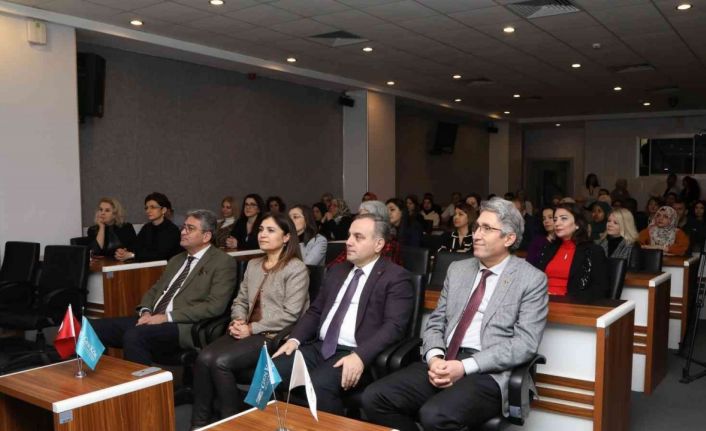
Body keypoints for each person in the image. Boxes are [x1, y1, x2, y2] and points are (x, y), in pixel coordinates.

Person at [362, 197, 548, 431]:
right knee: (375, 398)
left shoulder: (531, 279)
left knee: (434, 415)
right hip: (444, 359)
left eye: (487, 228)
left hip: (488, 371)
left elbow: (525, 344)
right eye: (477, 227)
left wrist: (465, 366)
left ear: (509, 239)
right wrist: (434, 358)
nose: (476, 234)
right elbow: (436, 322)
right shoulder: (458, 269)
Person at [273, 214, 414, 415]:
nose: (348, 242)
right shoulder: (337, 271)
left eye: (358, 237)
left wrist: (361, 356)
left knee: (318, 384)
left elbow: (394, 327)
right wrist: (294, 339)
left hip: (356, 351)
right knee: (269, 371)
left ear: (378, 244)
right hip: (320, 347)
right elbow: (316, 311)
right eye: (349, 235)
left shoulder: (396, 277)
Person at [190, 213, 309, 427]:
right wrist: (238, 320)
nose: (262, 234)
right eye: (261, 229)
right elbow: (241, 300)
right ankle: (199, 424)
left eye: (270, 230)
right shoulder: (253, 265)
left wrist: (251, 328)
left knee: (220, 363)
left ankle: (233, 423)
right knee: (203, 358)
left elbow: (290, 314)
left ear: (286, 237)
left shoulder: (296, 268)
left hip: (272, 335)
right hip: (245, 330)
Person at [93, 210, 237, 365]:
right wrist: (146, 311)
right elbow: (155, 290)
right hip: (153, 318)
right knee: (93, 327)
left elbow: (215, 306)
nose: (183, 232)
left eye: (190, 229)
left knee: (134, 335)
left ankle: (145, 381)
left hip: (183, 325)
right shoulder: (176, 260)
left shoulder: (222, 262)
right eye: (184, 227)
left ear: (206, 236)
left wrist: (167, 317)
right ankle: (103, 379)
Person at [534, 203, 609, 301]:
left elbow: (600, 289)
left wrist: (565, 298)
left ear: (577, 224)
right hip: (542, 301)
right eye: (555, 219)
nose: (557, 223)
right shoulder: (549, 248)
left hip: (571, 303)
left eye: (563, 218)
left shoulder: (592, 251)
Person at [329, 201, 403, 266]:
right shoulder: (353, 241)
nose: (348, 242)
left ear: (379, 219)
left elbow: (383, 271)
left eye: (365, 217)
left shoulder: (390, 244)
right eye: (359, 216)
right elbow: (333, 266)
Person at [115, 192, 182, 262]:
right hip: (147, 266)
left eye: (153, 207)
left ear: (163, 210)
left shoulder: (172, 230)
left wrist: (132, 255)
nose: (148, 211)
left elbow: (160, 255)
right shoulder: (146, 227)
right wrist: (124, 252)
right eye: (146, 208)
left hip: (167, 267)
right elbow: (136, 246)